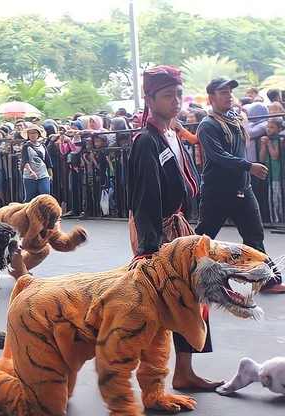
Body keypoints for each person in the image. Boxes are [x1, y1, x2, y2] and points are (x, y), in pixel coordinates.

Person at [127, 66, 220, 391]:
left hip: (179, 227)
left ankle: (184, 370)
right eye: (168, 95)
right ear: (150, 99)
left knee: (193, 298)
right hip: (161, 233)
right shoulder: (146, 140)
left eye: (179, 94)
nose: (176, 101)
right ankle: (153, 377)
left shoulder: (172, 134)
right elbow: (144, 199)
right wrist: (148, 249)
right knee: (162, 304)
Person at [195, 77, 285, 294]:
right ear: (211, 98)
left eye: (229, 91)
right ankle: (181, 278)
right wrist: (248, 166)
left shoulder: (233, 118)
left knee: (254, 234)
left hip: (242, 188)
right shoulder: (208, 125)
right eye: (222, 92)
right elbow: (218, 156)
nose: (228, 95)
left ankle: (265, 280)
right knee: (204, 238)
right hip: (218, 191)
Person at [20, 124, 53, 202]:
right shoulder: (26, 146)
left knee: (45, 195)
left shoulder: (43, 146)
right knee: (29, 197)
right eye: (30, 133)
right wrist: (31, 172)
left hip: (42, 173)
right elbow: (25, 161)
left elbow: (47, 161)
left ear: (38, 134)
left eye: (34, 133)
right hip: (30, 175)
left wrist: (50, 174)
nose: (32, 135)